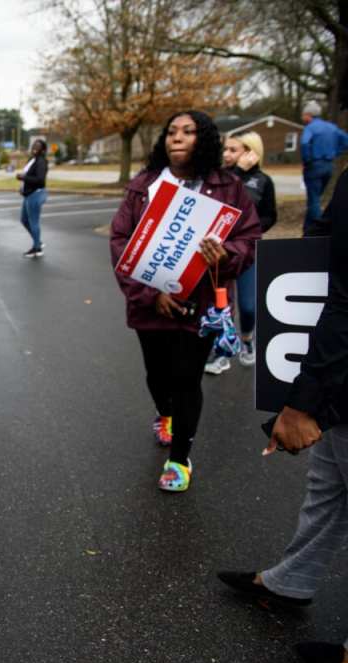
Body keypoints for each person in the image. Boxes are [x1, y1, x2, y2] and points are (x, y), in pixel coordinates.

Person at [216, 168, 348, 663]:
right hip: (337, 374)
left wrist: (304, 402)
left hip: (335, 365)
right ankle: (292, 579)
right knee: (329, 483)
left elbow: (344, 298)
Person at [109, 111, 261, 492]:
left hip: (202, 304)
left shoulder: (228, 187)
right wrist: (149, 294)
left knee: (187, 379)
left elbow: (250, 237)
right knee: (157, 376)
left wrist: (226, 254)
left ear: (204, 139)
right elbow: (120, 242)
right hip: (150, 304)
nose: (177, 137)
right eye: (172, 131)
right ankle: (165, 414)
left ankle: (179, 458)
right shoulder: (144, 185)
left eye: (188, 131)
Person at [204, 132, 277, 375]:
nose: (226, 154)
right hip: (219, 252)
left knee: (247, 307)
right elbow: (218, 202)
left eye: (233, 150)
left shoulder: (263, 181)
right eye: (225, 149)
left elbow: (270, 215)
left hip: (246, 251)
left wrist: (253, 230)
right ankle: (222, 354)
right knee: (222, 307)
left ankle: (247, 339)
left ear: (251, 152)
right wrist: (237, 174)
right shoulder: (220, 178)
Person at [300, 101, 348, 234]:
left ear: (309, 115)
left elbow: (304, 143)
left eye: (303, 114)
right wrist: (336, 152)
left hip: (314, 166)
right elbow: (346, 140)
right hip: (329, 165)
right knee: (315, 198)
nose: (302, 117)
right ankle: (307, 230)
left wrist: (307, 160)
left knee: (314, 200)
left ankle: (316, 232)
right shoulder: (331, 127)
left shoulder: (310, 128)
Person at [17, 140, 48, 258]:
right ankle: (38, 241)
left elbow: (40, 180)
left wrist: (24, 178)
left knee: (33, 222)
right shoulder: (32, 160)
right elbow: (29, 177)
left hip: (36, 194)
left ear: (43, 150)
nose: (34, 147)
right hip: (28, 194)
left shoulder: (41, 162)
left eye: (38, 146)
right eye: (33, 145)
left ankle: (37, 248)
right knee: (24, 220)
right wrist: (23, 188)